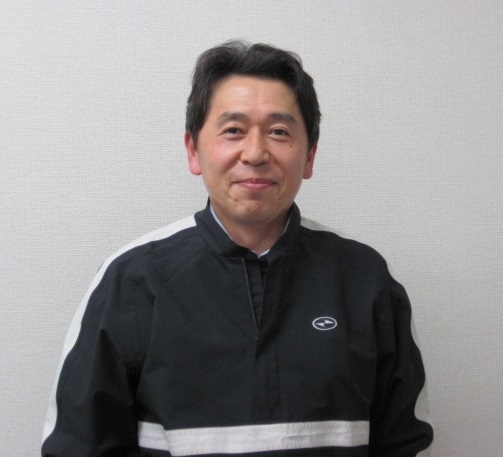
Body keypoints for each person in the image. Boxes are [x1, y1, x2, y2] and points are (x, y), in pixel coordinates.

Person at [42, 41, 433, 457]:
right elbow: (78, 445)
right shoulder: (132, 280)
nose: (256, 153)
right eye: (233, 130)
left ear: (309, 157)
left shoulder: (364, 278)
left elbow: (405, 444)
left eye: (279, 132)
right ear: (193, 150)